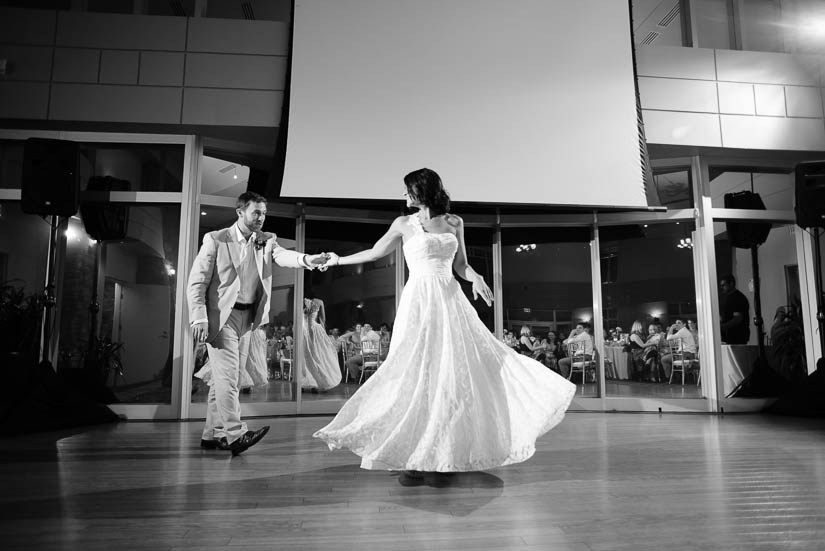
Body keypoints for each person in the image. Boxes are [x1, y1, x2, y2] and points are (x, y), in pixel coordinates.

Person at [313, 168, 575, 485]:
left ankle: (442, 457)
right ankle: (412, 455)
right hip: (418, 303)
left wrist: (476, 277)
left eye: (408, 189)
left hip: (450, 301)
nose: (404, 196)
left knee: (451, 376)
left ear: (422, 190)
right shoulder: (403, 224)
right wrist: (334, 260)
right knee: (414, 375)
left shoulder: (454, 222)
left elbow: (461, 265)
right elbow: (374, 252)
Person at [186, 191, 328, 455]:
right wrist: (199, 317)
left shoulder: (266, 240)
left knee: (226, 378)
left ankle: (212, 434)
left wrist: (308, 260)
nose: (262, 217)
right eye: (256, 212)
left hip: (248, 318)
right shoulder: (216, 239)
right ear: (240, 213)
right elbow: (197, 282)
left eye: (264, 213)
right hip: (222, 318)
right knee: (228, 377)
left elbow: (283, 255)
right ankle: (236, 435)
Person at [301, 297, 342, 392]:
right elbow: (323, 318)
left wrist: (323, 332)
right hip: (308, 330)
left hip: (309, 330)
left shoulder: (303, 300)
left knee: (312, 356)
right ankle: (307, 382)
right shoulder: (317, 301)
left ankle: (317, 382)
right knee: (310, 356)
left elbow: (322, 318)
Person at [719, 274, 750, 344]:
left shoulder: (738, 298)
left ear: (731, 284)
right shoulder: (729, 297)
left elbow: (738, 318)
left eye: (724, 285)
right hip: (730, 337)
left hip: (737, 337)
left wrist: (723, 326)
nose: (721, 287)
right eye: (721, 285)